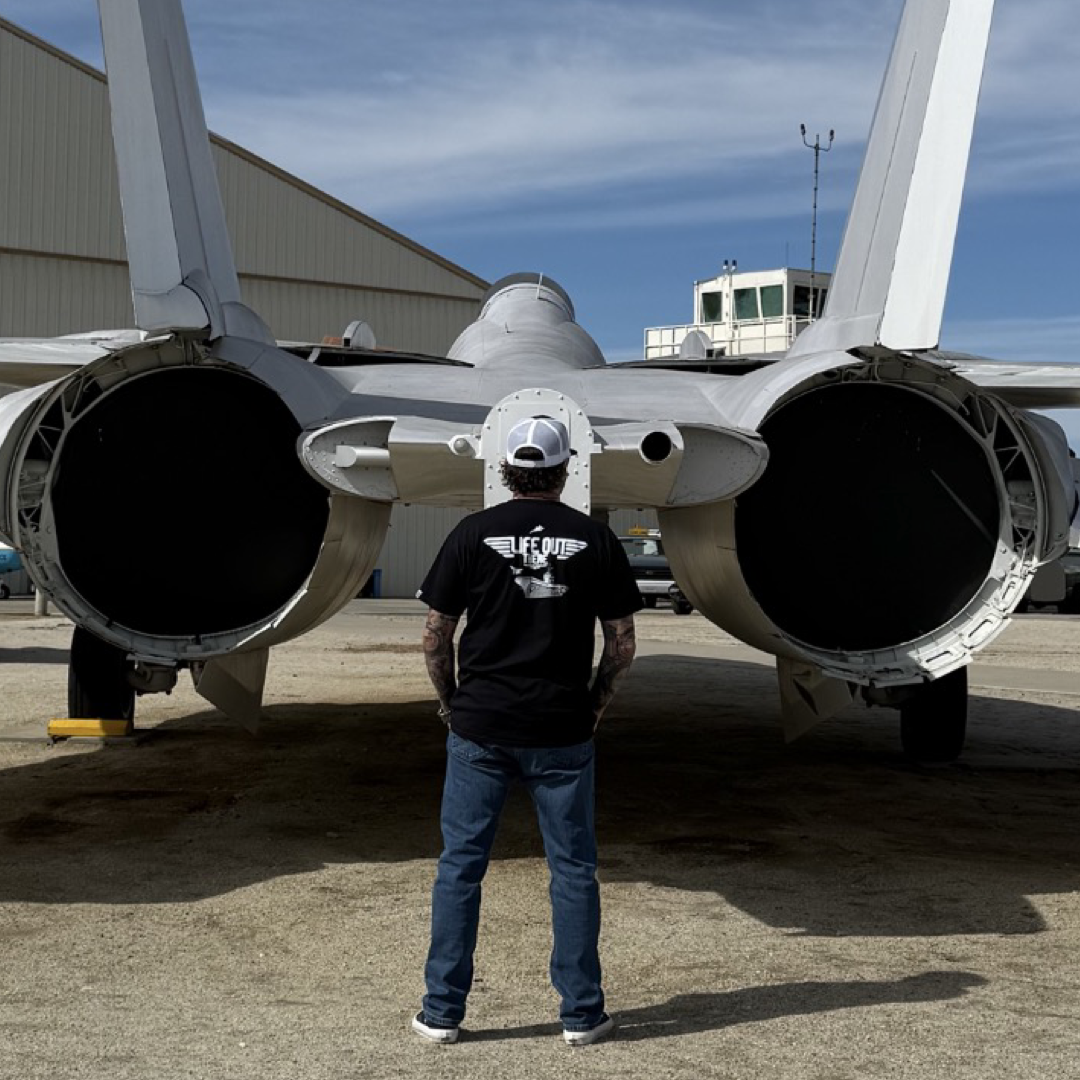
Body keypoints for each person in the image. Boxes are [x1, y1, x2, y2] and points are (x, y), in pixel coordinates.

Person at [412, 415, 641, 1047]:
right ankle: (581, 1014)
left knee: (460, 867)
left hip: (480, 727)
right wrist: (595, 706)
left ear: (504, 468)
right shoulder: (595, 538)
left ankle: (442, 1013)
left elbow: (435, 636)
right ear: (566, 469)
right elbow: (621, 643)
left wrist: (451, 704)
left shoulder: (470, 534)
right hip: (562, 729)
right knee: (572, 871)